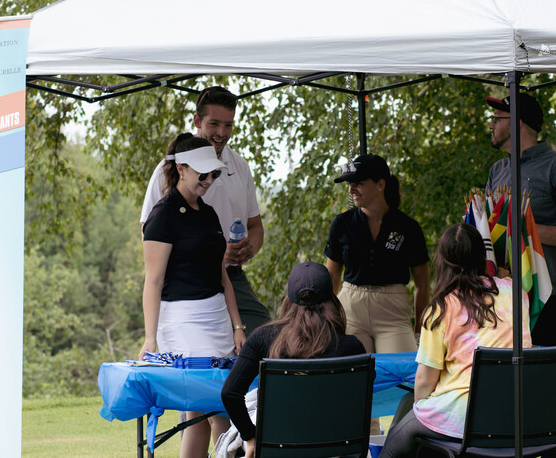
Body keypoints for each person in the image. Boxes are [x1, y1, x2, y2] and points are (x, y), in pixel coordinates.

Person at [378, 223, 531, 458]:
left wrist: (421, 412)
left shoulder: (441, 309)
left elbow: (424, 382)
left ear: (443, 261)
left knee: (395, 444)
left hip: (465, 416)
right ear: (482, 256)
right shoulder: (516, 293)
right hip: (519, 412)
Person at [139, 133, 247, 458]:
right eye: (203, 174)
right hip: (181, 320)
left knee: (225, 409)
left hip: (217, 318)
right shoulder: (163, 214)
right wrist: (149, 338)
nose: (209, 180)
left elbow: (222, 274)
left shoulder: (210, 213)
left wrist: (238, 326)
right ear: (182, 168)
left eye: (214, 173)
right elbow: (153, 281)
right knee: (199, 411)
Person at [141, 86, 271, 336]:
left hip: (231, 278)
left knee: (265, 338)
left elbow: (255, 227)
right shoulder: (166, 170)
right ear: (197, 120)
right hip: (185, 285)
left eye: (229, 125)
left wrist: (248, 250)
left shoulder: (240, 166)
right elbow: (150, 236)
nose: (222, 133)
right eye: (214, 124)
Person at [220, 262, 366, 458]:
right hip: (334, 447)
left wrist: (250, 437)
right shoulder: (352, 347)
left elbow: (230, 393)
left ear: (288, 299)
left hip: (276, 446)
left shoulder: (262, 337)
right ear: (332, 298)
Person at [484, 93, 556, 347]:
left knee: (542, 382)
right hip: (498, 297)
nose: (491, 125)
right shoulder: (497, 170)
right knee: (499, 381)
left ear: (516, 122)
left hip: (542, 300)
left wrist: (520, 229)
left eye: (496, 119)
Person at [325, 154, 430, 354]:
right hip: (351, 310)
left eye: (358, 183)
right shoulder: (341, 224)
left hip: (393, 312)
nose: (351, 189)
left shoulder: (409, 227)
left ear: (380, 185)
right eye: (349, 184)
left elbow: (422, 285)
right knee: (354, 374)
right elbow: (331, 279)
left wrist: (419, 329)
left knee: (403, 374)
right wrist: (328, 321)